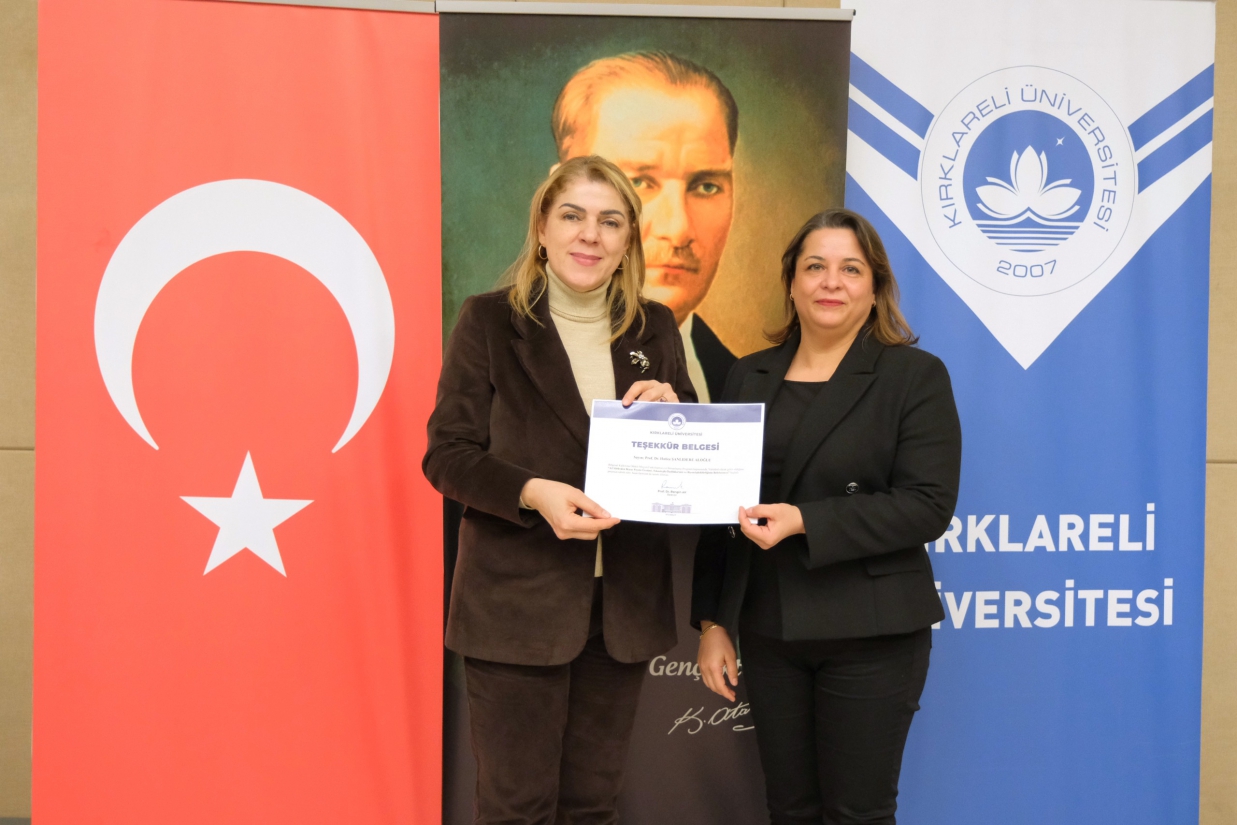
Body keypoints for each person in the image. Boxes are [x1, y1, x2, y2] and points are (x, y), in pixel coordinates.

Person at [424, 155, 696, 824]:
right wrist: (531, 492)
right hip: (516, 608)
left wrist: (677, 415)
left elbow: (690, 462)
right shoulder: (489, 321)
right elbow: (447, 456)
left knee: (591, 807)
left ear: (628, 239)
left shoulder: (655, 327)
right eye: (572, 215)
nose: (590, 235)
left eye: (610, 221)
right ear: (542, 227)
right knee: (516, 808)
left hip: (622, 608)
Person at [691, 209, 960, 824]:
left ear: (876, 286)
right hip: (771, 631)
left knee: (857, 813)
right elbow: (718, 508)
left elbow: (927, 505)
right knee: (789, 810)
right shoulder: (748, 374)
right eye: (815, 267)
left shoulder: (914, 376)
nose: (831, 282)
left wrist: (805, 521)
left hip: (872, 634)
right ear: (791, 283)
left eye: (850, 269)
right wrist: (712, 622)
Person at [552, 51, 738, 402]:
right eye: (638, 182)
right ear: (558, 195)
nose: (678, 229)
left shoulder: (740, 383)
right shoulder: (493, 332)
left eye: (706, 186)